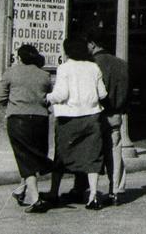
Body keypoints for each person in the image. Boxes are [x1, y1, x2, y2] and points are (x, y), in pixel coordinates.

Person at [45, 36, 108, 210]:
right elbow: (102, 94)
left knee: (61, 157)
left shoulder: (65, 68)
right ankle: (93, 196)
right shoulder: (94, 67)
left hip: (68, 118)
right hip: (92, 117)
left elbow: (61, 94)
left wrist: (48, 97)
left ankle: (53, 192)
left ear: (67, 50)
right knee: (92, 157)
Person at [0, 44, 53, 213]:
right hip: (40, 120)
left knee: (24, 156)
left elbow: (0, 97)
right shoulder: (45, 75)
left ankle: (35, 199)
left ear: (19, 58)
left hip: (18, 119)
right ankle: (21, 190)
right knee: (31, 155)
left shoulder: (10, 73)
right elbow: (48, 97)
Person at [87, 28, 129, 205]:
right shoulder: (121, 64)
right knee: (115, 151)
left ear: (93, 44)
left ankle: (91, 190)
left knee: (93, 153)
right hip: (115, 115)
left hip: (97, 115)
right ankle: (116, 190)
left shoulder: (91, 64)